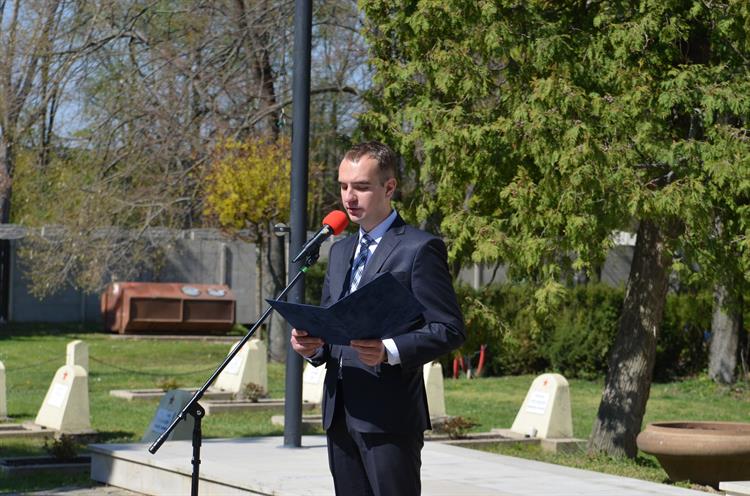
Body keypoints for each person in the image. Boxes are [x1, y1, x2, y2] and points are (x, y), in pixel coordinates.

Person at [290, 141, 465, 496]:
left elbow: (449, 329)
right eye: (343, 186)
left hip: (389, 417)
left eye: (361, 186)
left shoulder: (419, 249)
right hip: (339, 414)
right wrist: (310, 346)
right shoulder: (339, 251)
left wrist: (390, 350)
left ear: (389, 187)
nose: (349, 197)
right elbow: (332, 329)